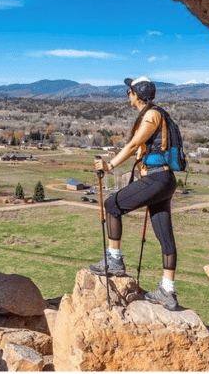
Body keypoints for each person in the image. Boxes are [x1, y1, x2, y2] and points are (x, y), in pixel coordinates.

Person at [90, 76, 180, 310]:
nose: (127, 96)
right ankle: (167, 291)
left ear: (136, 95)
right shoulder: (158, 114)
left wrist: (109, 166)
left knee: (112, 205)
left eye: (129, 92)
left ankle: (114, 259)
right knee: (164, 235)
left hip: (156, 178)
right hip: (165, 179)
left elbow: (131, 146)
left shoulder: (151, 115)